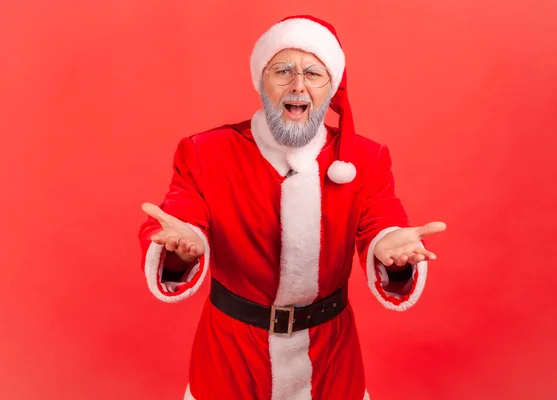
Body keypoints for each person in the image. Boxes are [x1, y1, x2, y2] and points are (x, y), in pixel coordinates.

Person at [138, 15, 446, 400]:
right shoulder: (206, 152)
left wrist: (391, 250)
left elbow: (383, 219)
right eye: (282, 70)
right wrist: (179, 246)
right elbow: (180, 216)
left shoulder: (365, 158)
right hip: (231, 351)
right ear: (261, 81)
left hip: (330, 351)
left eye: (314, 74)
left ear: (330, 87)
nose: (298, 85)